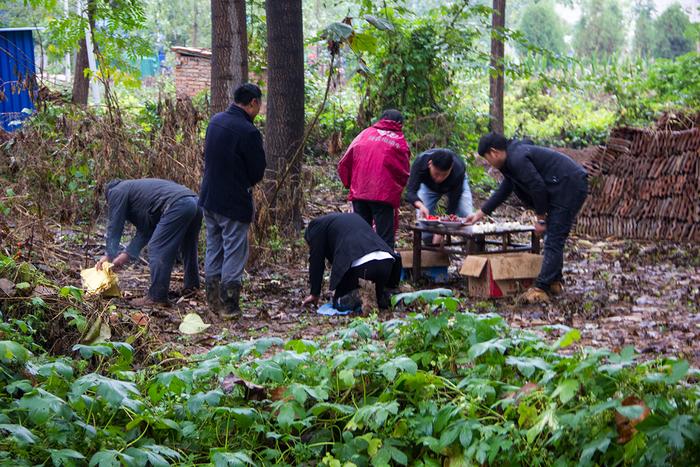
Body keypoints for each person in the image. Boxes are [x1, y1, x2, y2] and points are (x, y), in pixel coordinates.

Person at [465, 132, 588, 303]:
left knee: (553, 237)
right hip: (561, 186)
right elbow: (505, 189)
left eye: (487, 159)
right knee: (552, 236)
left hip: (569, 186)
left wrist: (540, 219)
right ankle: (554, 280)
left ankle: (542, 288)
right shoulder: (511, 161)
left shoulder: (517, 158)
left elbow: (537, 187)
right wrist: (480, 213)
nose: (489, 163)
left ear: (494, 152)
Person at [199, 83, 266, 319]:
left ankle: (212, 301)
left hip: (209, 197)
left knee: (214, 247)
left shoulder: (215, 120)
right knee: (234, 251)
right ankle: (229, 306)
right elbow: (257, 171)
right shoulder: (248, 132)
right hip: (233, 201)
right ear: (254, 103)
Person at [96, 178, 202, 307]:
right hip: (194, 203)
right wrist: (126, 255)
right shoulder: (139, 195)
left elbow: (115, 224)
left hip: (178, 205)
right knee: (188, 246)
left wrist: (109, 254)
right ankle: (192, 286)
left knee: (157, 248)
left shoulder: (116, 191)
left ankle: (157, 297)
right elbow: (146, 231)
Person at [337, 109, 411, 249]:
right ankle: (385, 268)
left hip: (360, 192)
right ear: (400, 124)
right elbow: (404, 172)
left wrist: (349, 184)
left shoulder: (364, 134)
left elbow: (344, 162)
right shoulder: (399, 141)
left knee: (360, 234)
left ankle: (360, 268)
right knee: (385, 239)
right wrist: (396, 192)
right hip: (383, 197)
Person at [302, 213, 402, 312]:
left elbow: (316, 261)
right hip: (387, 261)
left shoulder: (315, 227)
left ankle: (360, 296)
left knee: (339, 302)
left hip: (361, 265)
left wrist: (314, 293)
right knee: (377, 294)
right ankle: (387, 297)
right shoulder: (349, 219)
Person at [405, 148, 473, 244]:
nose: (439, 178)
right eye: (436, 173)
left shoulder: (458, 169)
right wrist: (421, 206)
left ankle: (472, 248)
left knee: (467, 216)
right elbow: (411, 192)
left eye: (444, 174)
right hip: (428, 187)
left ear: (451, 168)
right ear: (430, 164)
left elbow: (453, 202)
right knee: (424, 222)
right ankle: (433, 252)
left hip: (453, 186)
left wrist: (442, 230)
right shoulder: (420, 163)